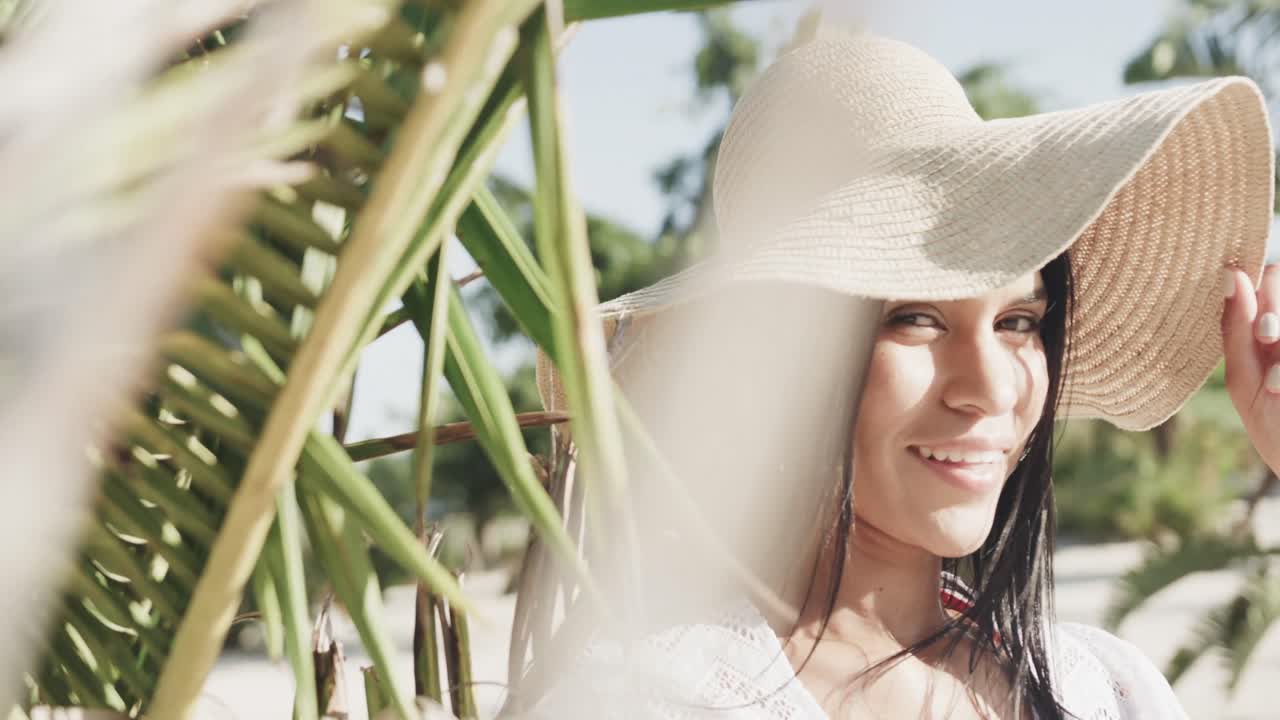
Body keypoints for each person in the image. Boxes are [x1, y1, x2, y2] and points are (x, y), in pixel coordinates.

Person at [525, 21, 1280, 720]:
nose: (988, 387)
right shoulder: (649, 699)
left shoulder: (1105, 688)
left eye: (1019, 321)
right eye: (915, 317)